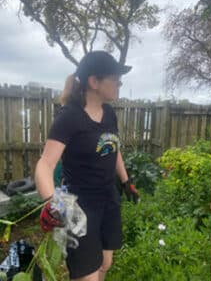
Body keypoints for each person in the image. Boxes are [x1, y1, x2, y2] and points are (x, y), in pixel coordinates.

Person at [34, 51, 139, 281]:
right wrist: (52, 203)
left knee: (105, 264)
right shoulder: (69, 117)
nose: (120, 84)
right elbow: (45, 164)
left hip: (108, 199)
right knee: (87, 275)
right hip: (78, 207)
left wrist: (126, 181)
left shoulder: (109, 113)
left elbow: (113, 147)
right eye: (115, 79)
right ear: (94, 82)